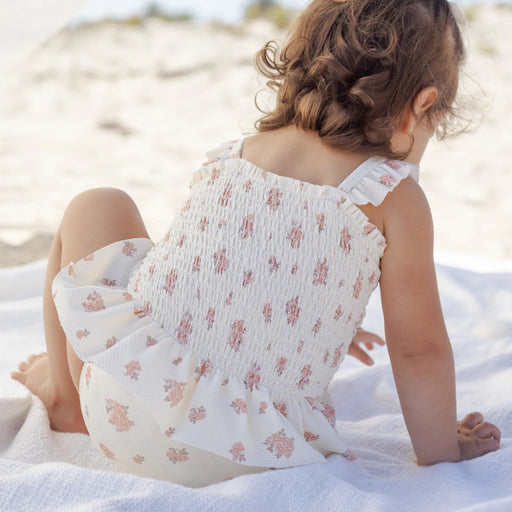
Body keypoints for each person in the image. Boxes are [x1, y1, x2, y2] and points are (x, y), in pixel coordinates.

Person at [11, 0, 500, 487]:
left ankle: (66, 399)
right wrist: (443, 452)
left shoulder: (241, 152)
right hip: (255, 450)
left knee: (96, 204)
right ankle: (66, 397)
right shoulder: (394, 197)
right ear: (421, 107)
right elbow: (419, 350)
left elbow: (214, 275)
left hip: (120, 409)